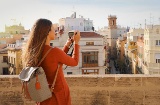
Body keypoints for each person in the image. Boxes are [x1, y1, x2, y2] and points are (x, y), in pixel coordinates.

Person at [22, 18, 80, 105]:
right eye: (53, 29)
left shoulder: (34, 52)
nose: (55, 31)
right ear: (48, 32)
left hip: (43, 96)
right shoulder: (54, 51)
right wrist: (76, 43)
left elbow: (55, 60)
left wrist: (67, 45)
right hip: (58, 96)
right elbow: (74, 62)